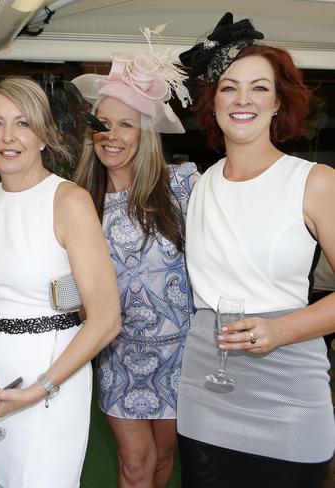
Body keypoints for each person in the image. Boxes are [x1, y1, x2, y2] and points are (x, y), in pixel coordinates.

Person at [176, 12, 335, 487]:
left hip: (289, 393)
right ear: (213, 101)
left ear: (278, 103)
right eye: (229, 87)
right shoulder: (201, 186)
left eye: (259, 88)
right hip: (205, 387)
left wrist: (280, 330)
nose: (243, 99)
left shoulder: (314, 183)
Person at [0, 77, 122, 488]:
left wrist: (41, 387)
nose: (7, 137)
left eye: (22, 123)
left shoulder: (69, 200)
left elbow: (106, 319)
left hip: (53, 374)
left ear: (43, 135)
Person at [72, 28, 198, 488]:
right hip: (118, 355)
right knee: (134, 465)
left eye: (126, 124)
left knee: (164, 462)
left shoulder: (182, 187)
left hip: (180, 355)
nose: (111, 135)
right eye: (103, 123)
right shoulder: (78, 198)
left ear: (145, 132)